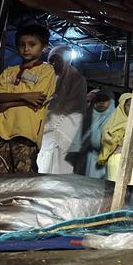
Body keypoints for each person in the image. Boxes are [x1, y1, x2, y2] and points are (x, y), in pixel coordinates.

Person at [0, 24, 57, 175]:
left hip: (26, 131)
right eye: (22, 45)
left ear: (43, 47)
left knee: (24, 179)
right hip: (1, 130)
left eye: (32, 44)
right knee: (0, 178)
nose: (26, 48)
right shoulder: (9, 71)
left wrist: (8, 102)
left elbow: (39, 98)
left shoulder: (46, 71)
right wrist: (24, 96)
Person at [37, 45, 88, 174]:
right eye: (51, 60)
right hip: (43, 129)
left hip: (65, 129)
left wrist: (52, 110)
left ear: (66, 61)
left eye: (57, 60)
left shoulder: (77, 79)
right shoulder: (45, 77)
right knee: (42, 163)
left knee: (59, 168)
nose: (53, 64)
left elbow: (76, 107)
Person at [98, 92, 133, 186]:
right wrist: (120, 137)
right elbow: (106, 138)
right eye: (128, 105)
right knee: (114, 188)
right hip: (117, 158)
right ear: (122, 106)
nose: (132, 108)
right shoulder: (114, 121)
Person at [69, 90, 115, 179]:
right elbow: (77, 142)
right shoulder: (88, 118)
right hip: (84, 161)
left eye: (104, 100)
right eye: (98, 100)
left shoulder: (115, 120)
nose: (101, 102)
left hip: (103, 164)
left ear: (111, 102)